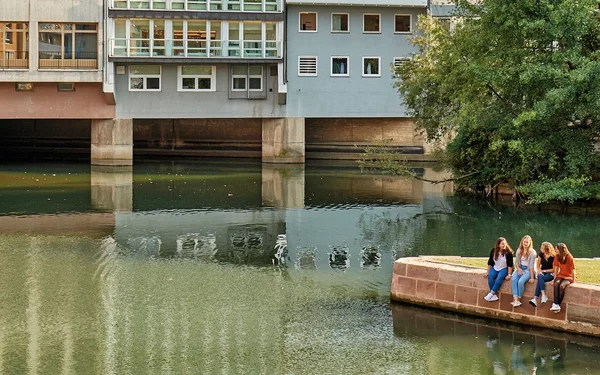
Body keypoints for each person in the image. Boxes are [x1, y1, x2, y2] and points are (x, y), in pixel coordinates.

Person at [484, 237, 514, 302]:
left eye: (505, 244)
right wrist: (487, 271)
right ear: (498, 245)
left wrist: (509, 274)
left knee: (499, 277)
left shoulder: (508, 253)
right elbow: (490, 262)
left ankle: (491, 293)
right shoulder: (493, 251)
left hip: (504, 268)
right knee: (490, 276)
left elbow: (510, 265)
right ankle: (494, 296)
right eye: (502, 244)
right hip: (495, 267)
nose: (504, 245)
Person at [550, 243, 576, 313]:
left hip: (568, 276)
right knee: (556, 284)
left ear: (561, 250)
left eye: (556, 249)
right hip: (561, 275)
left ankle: (557, 304)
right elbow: (556, 268)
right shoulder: (557, 256)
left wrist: (573, 282)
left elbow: (573, 270)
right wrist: (554, 279)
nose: (555, 250)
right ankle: (555, 304)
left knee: (562, 286)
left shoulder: (569, 257)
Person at [511, 235, 536, 307]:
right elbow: (516, 262)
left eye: (527, 242)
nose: (525, 244)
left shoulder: (532, 253)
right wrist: (518, 269)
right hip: (520, 268)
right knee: (514, 279)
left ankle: (518, 299)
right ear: (522, 242)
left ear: (530, 243)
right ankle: (515, 299)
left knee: (520, 281)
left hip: (528, 270)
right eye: (524, 242)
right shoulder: (519, 250)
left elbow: (531, 266)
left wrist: (532, 277)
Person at [529, 242, 555, 307]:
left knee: (540, 279)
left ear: (547, 249)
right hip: (543, 272)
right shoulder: (541, 254)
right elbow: (538, 265)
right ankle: (543, 294)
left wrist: (544, 271)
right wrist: (539, 270)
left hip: (551, 273)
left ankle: (535, 298)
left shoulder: (554, 257)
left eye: (542, 248)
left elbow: (554, 269)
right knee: (540, 276)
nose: (540, 249)